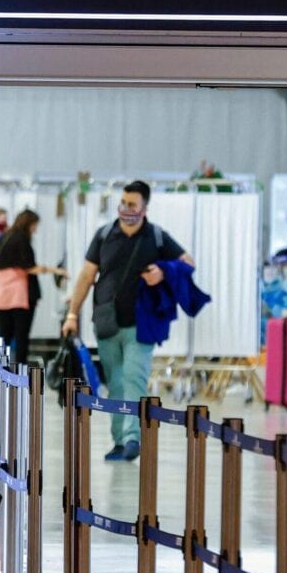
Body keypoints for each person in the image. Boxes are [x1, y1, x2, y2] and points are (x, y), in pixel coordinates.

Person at [61, 181, 193, 462]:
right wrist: (73, 313)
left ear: (144, 208)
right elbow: (86, 276)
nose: (125, 209)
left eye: (132, 204)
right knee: (116, 383)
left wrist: (163, 270)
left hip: (141, 324)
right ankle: (119, 440)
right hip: (107, 321)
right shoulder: (105, 235)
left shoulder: (156, 237)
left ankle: (133, 438)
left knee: (135, 377)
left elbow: (188, 263)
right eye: (123, 203)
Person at [0, 210, 66, 364]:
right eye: (34, 226)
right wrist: (54, 270)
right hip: (19, 295)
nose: (35, 230)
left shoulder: (4, 238)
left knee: (4, 335)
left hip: (1, 292)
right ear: (29, 224)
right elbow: (30, 267)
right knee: (21, 336)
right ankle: (20, 370)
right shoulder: (21, 240)